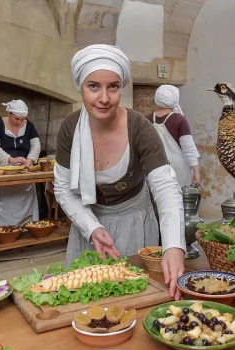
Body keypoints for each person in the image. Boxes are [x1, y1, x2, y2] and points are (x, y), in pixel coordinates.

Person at [53, 44, 186, 299]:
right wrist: (91, 227)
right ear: (80, 87)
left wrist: (173, 246)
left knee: (130, 298)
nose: (104, 98)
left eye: (112, 87)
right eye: (94, 86)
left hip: (134, 222)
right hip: (88, 223)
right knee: (84, 300)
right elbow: (63, 188)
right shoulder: (70, 129)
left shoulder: (139, 128)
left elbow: (166, 187)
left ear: (120, 88)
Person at [0, 100, 40, 226]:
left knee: (24, 197)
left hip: (23, 167)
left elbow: (36, 145)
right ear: (9, 113)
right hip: (0, 166)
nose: (20, 122)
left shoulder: (29, 125)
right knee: (5, 199)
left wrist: (30, 160)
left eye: (23, 119)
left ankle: (27, 227)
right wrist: (10, 159)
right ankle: (2, 228)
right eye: (16, 119)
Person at [146, 85, 200, 187]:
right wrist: (195, 170)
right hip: (177, 171)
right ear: (175, 98)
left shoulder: (147, 119)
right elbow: (188, 147)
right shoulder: (180, 120)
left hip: (155, 168)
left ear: (157, 98)